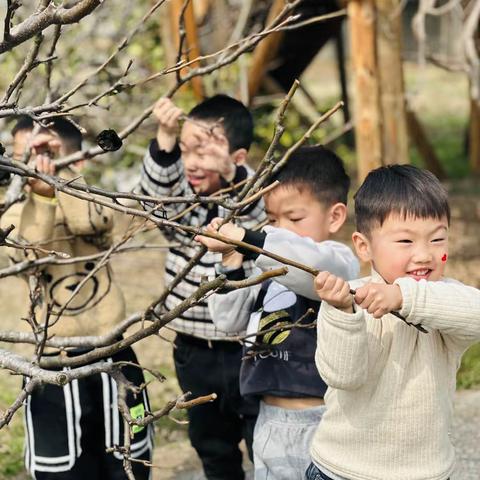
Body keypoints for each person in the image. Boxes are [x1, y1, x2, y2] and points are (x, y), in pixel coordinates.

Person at [1, 117, 153, 480]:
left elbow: (91, 223)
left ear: (79, 160)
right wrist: (41, 194)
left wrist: (62, 178)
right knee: (63, 470)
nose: (34, 163)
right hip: (53, 363)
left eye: (46, 151)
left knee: (128, 463)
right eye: (25, 156)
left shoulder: (94, 198)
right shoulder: (12, 213)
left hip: (114, 353)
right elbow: (31, 249)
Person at [306, 164, 480, 480]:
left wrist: (403, 296)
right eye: (405, 242)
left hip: (427, 472)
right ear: (363, 246)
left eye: (438, 239)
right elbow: (343, 376)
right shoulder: (349, 297)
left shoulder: (444, 301)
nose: (425, 254)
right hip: (342, 470)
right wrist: (341, 313)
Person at [196, 146, 360, 480]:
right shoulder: (263, 268)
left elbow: (310, 267)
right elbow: (228, 321)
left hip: (325, 419)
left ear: (335, 216)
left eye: (294, 219)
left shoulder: (339, 261)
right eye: (271, 220)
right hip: (269, 419)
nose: (279, 230)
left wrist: (249, 238)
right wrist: (230, 260)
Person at [138, 95, 266, 479]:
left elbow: (256, 221)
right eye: (184, 150)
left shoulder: (252, 198)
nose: (192, 161)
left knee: (264, 441)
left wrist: (234, 179)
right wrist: (164, 137)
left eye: (203, 151)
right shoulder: (186, 210)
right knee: (211, 444)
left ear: (237, 158)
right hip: (195, 351)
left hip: (250, 352)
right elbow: (158, 203)